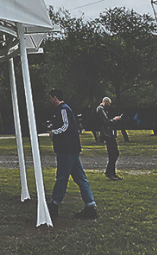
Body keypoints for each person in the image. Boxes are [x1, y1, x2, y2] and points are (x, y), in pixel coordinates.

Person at [47, 89, 97, 220]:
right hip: (71, 149)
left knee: (62, 177)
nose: (50, 100)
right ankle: (90, 206)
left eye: (51, 98)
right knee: (80, 178)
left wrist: (54, 132)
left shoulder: (63, 109)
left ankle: (54, 205)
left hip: (66, 149)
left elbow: (66, 126)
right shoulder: (64, 109)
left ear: (55, 97)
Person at [96, 97, 123, 180]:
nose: (109, 105)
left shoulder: (102, 109)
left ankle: (112, 172)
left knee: (114, 153)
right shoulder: (101, 109)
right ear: (106, 102)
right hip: (107, 134)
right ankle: (110, 173)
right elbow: (106, 121)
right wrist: (115, 119)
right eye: (109, 103)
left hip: (108, 133)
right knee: (113, 153)